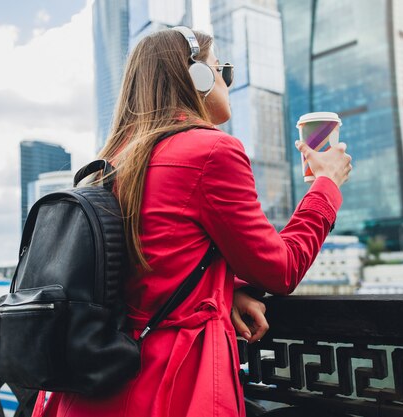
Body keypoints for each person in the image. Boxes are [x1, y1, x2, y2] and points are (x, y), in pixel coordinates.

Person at [32, 27, 351, 417]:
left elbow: (149, 263)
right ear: (197, 76)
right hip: (170, 385)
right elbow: (280, 269)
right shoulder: (212, 151)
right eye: (222, 70)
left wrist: (223, 289)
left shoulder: (110, 162)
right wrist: (327, 185)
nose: (226, 81)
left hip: (92, 385)